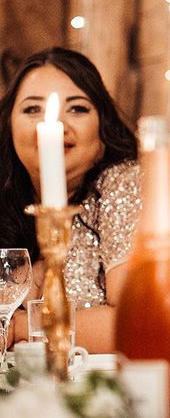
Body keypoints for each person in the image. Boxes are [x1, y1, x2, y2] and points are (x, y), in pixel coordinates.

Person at [0, 47, 140, 353]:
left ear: (104, 130)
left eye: (77, 109)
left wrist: (17, 326)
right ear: (8, 126)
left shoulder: (126, 183)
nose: (56, 124)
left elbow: (139, 322)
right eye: (32, 109)